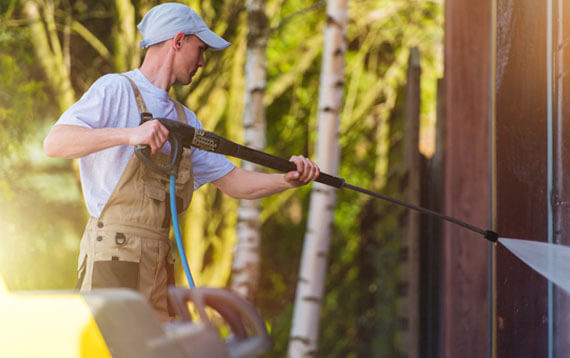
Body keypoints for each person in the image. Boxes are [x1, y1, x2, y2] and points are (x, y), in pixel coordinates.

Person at [43, 2, 319, 322]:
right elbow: (55, 142)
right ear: (178, 41)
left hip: (161, 263)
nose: (203, 61)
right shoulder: (116, 89)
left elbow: (233, 182)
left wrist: (286, 181)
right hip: (114, 255)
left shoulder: (186, 121)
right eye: (200, 49)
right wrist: (130, 134)